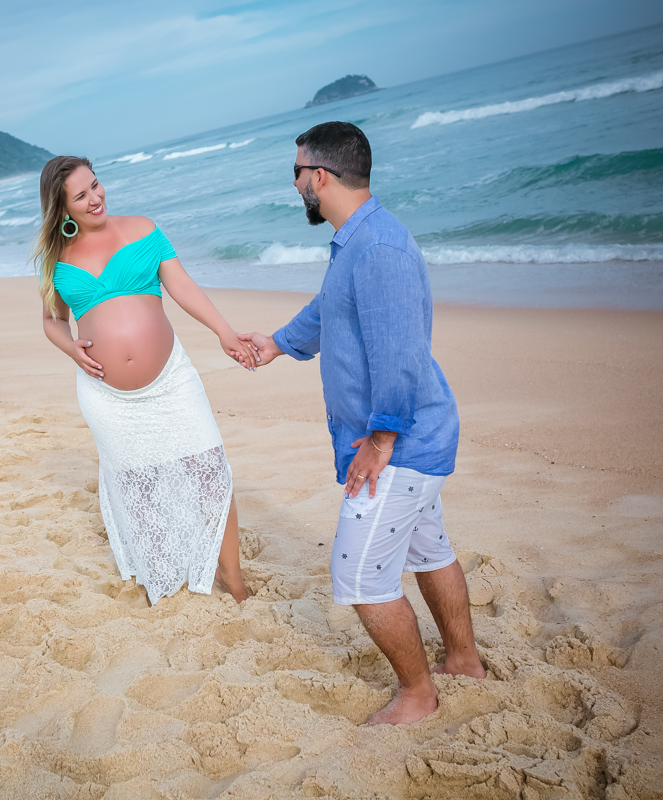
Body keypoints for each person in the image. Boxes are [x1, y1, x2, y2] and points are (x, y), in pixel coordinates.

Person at [240, 122, 486, 724]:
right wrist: (277, 343)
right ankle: (463, 660)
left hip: (400, 444)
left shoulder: (377, 249)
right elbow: (331, 310)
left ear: (319, 177)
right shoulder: (357, 240)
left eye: (296, 173)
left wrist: (380, 440)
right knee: (429, 550)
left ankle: (418, 694)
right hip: (407, 437)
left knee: (358, 579)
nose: (295, 184)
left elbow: (400, 353)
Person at [35, 155, 256, 605]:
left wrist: (224, 331)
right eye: (81, 196)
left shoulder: (142, 229)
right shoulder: (56, 259)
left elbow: (183, 287)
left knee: (210, 473)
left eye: (96, 185)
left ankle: (235, 582)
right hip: (106, 396)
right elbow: (52, 321)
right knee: (139, 488)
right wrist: (70, 347)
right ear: (62, 208)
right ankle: (166, 581)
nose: (95, 198)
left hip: (171, 381)